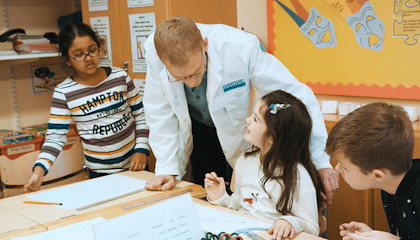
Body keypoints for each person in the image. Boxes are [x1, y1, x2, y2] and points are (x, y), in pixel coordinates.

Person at [143, 16, 338, 204]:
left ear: (205, 44)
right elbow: (159, 112)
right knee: (209, 197)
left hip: (241, 135)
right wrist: (166, 168)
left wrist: (320, 160)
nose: (192, 82)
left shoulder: (240, 47)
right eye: (180, 78)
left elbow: (297, 97)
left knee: (249, 199)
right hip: (198, 133)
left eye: (196, 72)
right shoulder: (154, 51)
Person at [24, 22, 150, 193]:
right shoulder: (64, 93)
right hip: (100, 175)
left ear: (100, 48)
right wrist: (39, 172)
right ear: (67, 60)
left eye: (92, 50)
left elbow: (140, 115)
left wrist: (142, 150)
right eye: (78, 55)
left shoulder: (120, 77)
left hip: (136, 165)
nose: (88, 58)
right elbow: (55, 137)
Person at [205, 90, 324, 239]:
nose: (248, 120)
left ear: (272, 138)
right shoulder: (245, 160)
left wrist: (290, 222)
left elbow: (312, 228)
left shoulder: (297, 176)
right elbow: (242, 204)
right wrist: (221, 198)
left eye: (255, 119)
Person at [326, 102, 420, 240]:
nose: (337, 168)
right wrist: (371, 234)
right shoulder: (389, 187)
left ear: (377, 175)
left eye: (344, 166)